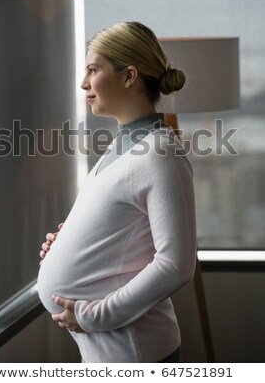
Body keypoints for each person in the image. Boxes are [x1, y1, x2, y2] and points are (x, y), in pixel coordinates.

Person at [37, 21, 197, 363]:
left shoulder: (160, 154)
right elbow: (124, 229)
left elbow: (176, 264)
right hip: (109, 351)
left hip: (135, 351)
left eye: (93, 70)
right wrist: (68, 243)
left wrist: (92, 315)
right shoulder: (125, 144)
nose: (83, 83)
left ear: (129, 76)